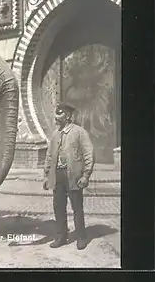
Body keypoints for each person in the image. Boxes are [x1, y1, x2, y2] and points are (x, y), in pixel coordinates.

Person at [43, 102, 94, 250]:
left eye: (59, 114)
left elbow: (88, 154)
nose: (56, 118)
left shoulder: (80, 132)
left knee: (77, 208)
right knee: (58, 207)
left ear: (68, 116)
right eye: (56, 114)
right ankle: (61, 237)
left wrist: (86, 175)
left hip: (73, 176)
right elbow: (49, 156)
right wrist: (47, 175)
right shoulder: (55, 134)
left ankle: (81, 237)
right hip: (57, 175)